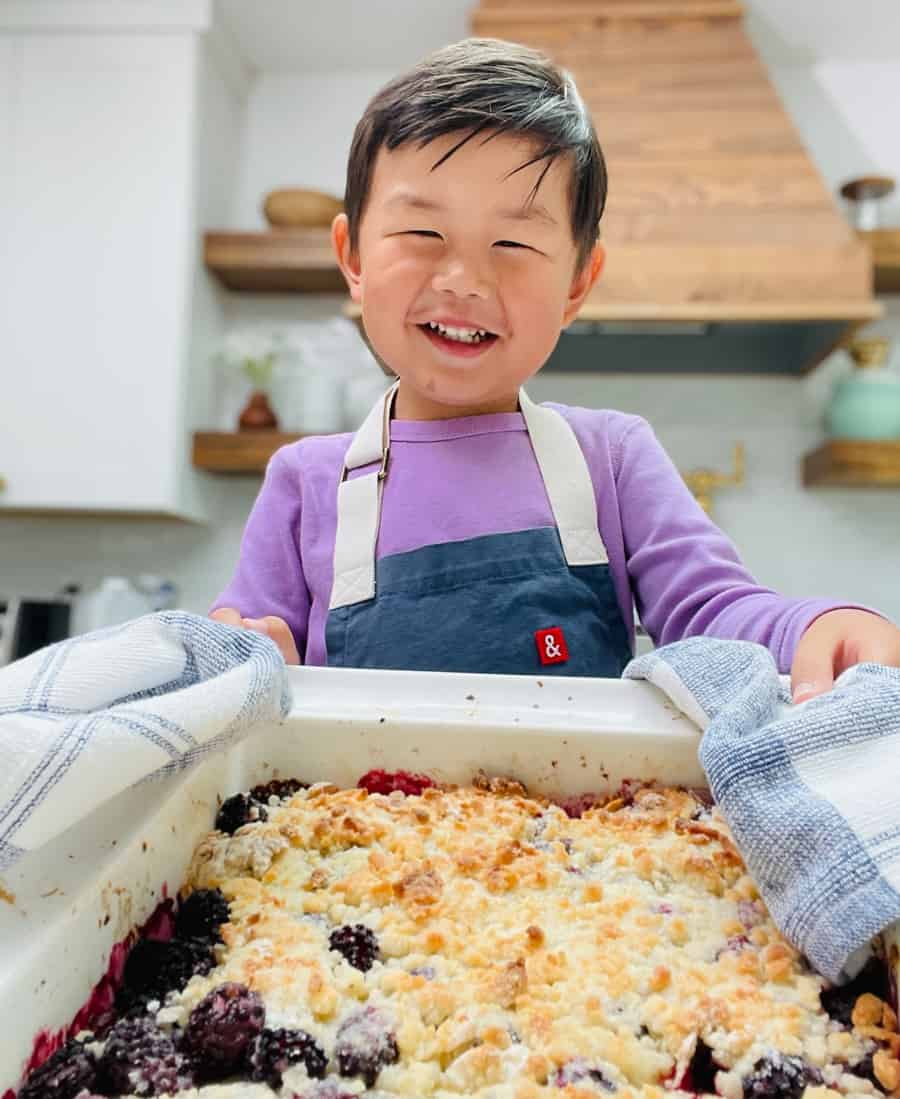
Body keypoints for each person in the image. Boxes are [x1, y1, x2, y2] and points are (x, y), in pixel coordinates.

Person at [211, 37, 900, 704]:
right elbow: (241, 666)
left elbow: (713, 610)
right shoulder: (303, 484)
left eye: (512, 241)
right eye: (423, 233)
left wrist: (812, 628)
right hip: (345, 823)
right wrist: (247, 660)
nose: (464, 278)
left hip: (589, 821)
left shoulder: (613, 457)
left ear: (577, 282)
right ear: (353, 257)